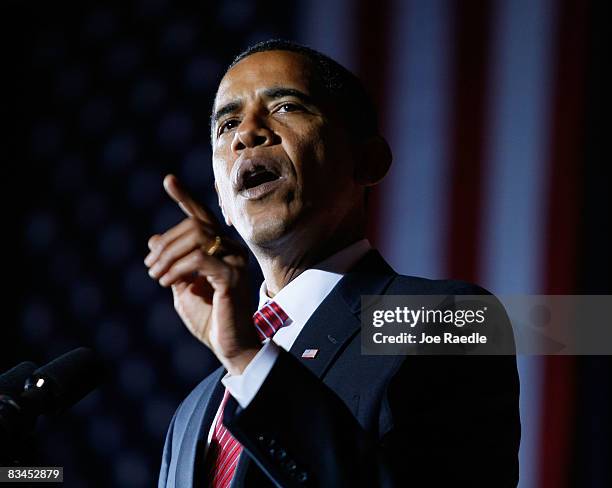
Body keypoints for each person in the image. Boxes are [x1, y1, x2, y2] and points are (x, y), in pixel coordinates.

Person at [146, 39, 520, 488]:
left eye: (284, 106)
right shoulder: (192, 414)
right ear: (222, 197)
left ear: (367, 161)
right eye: (227, 124)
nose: (247, 133)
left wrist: (248, 358)